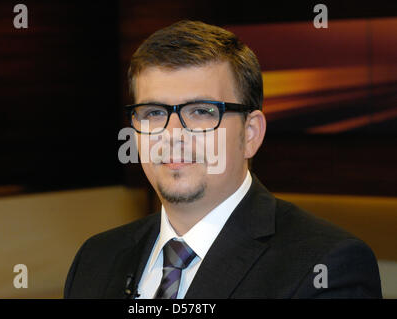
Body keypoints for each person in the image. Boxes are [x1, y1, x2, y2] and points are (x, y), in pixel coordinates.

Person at [64, 20, 382, 298]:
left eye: (201, 112)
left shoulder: (326, 266)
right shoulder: (95, 258)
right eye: (154, 113)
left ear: (251, 134)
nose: (173, 133)